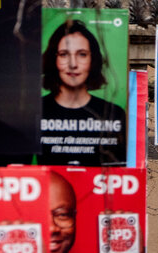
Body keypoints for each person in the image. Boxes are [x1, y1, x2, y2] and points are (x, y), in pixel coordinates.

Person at [40, 20, 127, 165]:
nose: (73, 64)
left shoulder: (114, 114)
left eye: (82, 54)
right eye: (64, 54)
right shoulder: (36, 111)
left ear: (93, 60)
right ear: (53, 59)